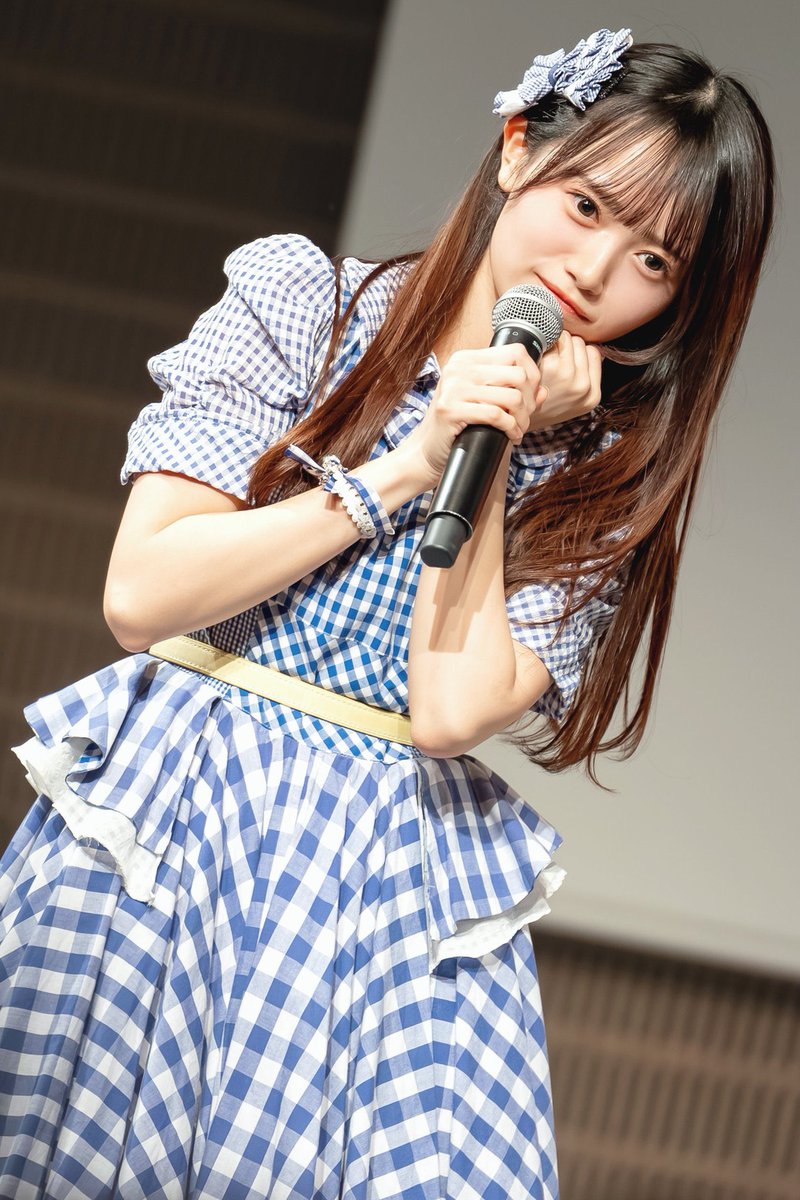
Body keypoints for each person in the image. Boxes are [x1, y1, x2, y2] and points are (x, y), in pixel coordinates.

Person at [0, 26, 774, 1200]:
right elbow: (144, 592)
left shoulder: (604, 475)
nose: (595, 269)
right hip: (174, 825)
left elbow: (450, 709)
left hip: (375, 895)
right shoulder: (305, 304)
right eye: (584, 206)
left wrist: (501, 445)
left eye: (654, 261)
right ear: (516, 149)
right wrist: (405, 467)